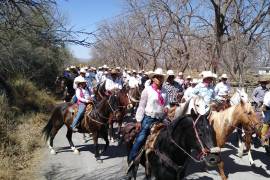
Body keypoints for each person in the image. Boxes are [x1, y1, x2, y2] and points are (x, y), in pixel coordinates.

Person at [127, 68, 167, 172]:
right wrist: (139, 120)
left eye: (161, 77)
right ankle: (131, 161)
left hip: (161, 118)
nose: (159, 79)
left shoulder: (164, 91)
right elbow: (141, 106)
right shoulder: (147, 90)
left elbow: (166, 103)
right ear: (153, 78)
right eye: (157, 77)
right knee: (141, 138)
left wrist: (167, 107)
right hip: (149, 118)